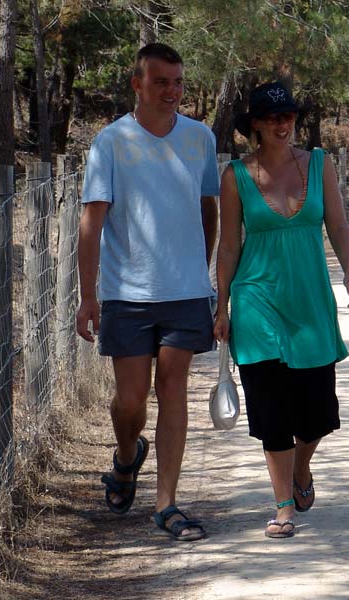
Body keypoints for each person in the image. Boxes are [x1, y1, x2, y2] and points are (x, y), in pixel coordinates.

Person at [76, 43, 217, 542]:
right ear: (137, 84)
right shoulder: (110, 142)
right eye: (161, 82)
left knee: (173, 387)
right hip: (126, 293)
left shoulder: (201, 138)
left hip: (184, 293)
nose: (172, 92)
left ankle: (168, 504)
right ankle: (126, 455)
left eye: (178, 82)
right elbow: (91, 224)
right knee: (130, 400)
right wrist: (88, 296)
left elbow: (208, 209)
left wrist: (200, 276)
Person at [214, 81, 349, 539]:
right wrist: (222, 306)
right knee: (270, 405)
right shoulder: (235, 176)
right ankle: (282, 508)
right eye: (273, 117)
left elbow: (336, 221)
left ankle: (302, 468)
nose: (283, 124)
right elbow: (229, 246)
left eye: (289, 116)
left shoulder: (320, 164)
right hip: (257, 298)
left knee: (317, 412)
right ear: (254, 124)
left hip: (310, 298)